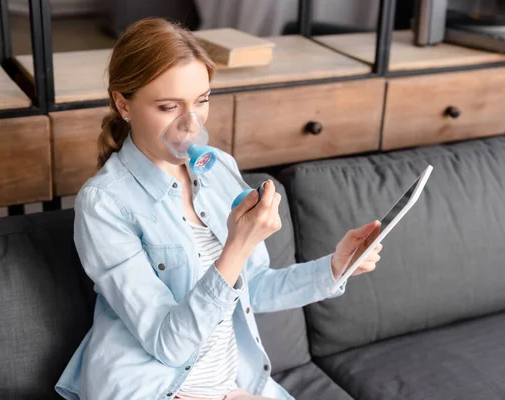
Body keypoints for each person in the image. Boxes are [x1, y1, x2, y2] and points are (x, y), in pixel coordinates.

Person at [55, 17, 383, 400]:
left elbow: (253, 287)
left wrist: (333, 266)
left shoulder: (217, 168)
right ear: (123, 104)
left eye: (201, 101)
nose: (189, 125)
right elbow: (168, 344)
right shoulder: (104, 203)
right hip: (153, 389)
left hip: (225, 386)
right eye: (167, 107)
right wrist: (238, 245)